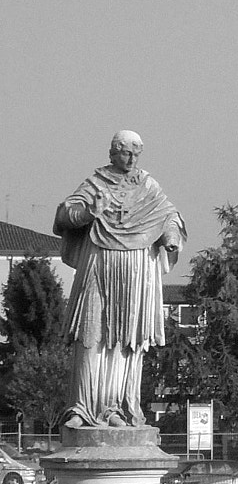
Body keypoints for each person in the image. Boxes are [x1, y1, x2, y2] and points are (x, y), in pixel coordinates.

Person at [53, 130, 186, 427]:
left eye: (137, 153)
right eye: (126, 153)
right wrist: (90, 211)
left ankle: (117, 406)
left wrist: (171, 236)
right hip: (99, 264)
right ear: (113, 152)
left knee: (126, 340)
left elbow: (168, 215)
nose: (132, 159)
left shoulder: (148, 186)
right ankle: (81, 407)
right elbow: (64, 215)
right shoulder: (96, 184)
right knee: (91, 334)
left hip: (136, 269)